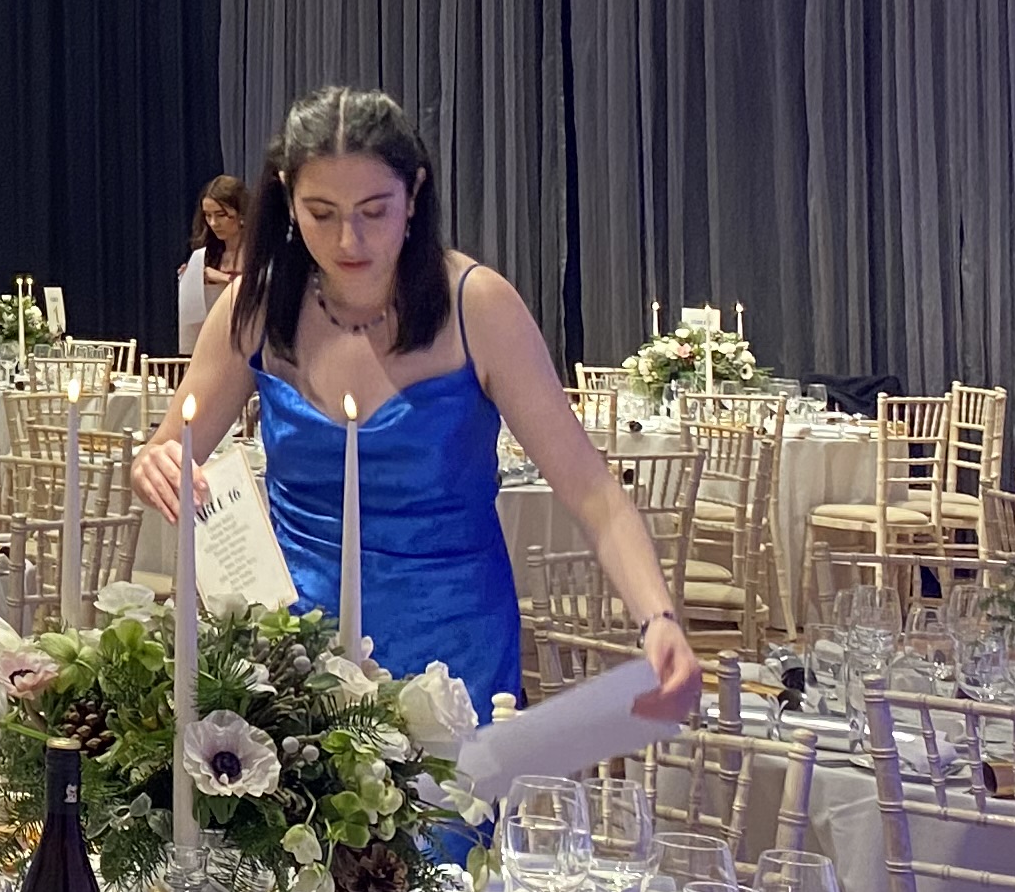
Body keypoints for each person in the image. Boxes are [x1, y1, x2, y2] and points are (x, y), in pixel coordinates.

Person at [134, 86, 698, 728]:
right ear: (287, 198)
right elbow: (167, 450)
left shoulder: (477, 307)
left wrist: (658, 620)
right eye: (320, 213)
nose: (350, 239)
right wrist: (154, 467)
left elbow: (592, 490)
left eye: (374, 210)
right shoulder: (255, 310)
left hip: (452, 652)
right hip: (296, 658)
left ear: (415, 195)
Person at [173, 174, 249, 349]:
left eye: (221, 215)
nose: (213, 223)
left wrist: (221, 277)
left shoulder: (259, 252)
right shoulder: (206, 254)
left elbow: (262, 291)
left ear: (241, 214)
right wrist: (191, 279)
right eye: (208, 216)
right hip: (213, 343)